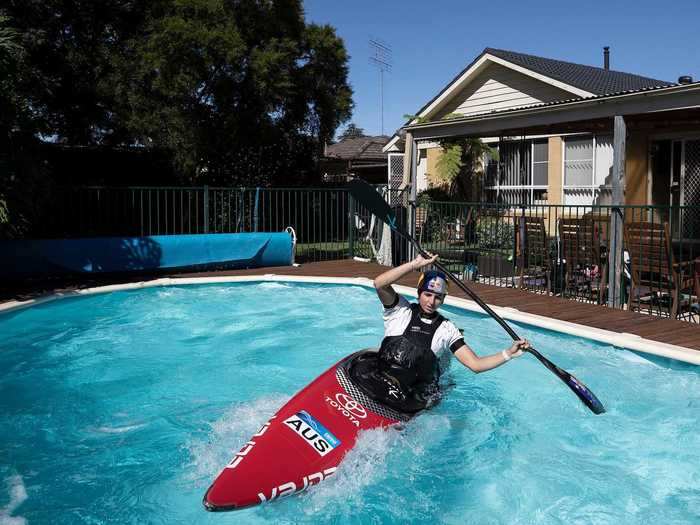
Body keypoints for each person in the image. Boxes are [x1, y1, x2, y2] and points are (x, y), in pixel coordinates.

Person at [351, 252, 529, 414]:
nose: (431, 301)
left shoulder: (447, 329)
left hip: (411, 398)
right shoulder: (399, 310)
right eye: (427, 294)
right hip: (379, 380)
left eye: (438, 297)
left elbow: (475, 365)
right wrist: (414, 264)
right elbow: (379, 284)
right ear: (419, 293)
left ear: (443, 300)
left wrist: (509, 353)